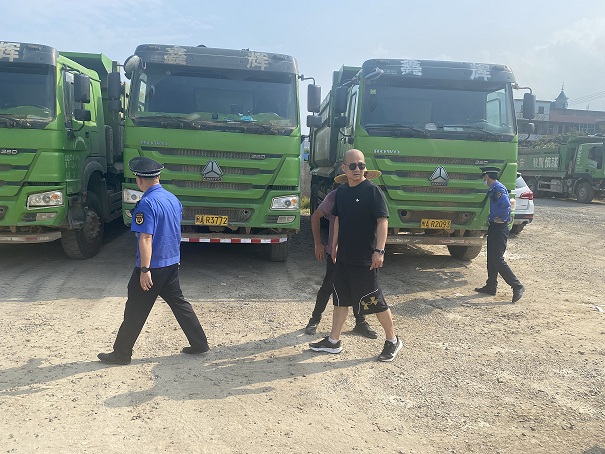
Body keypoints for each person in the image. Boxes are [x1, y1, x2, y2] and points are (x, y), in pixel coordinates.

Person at [98, 157, 209, 365]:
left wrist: (144, 269)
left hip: (153, 267)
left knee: (135, 310)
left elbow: (146, 238)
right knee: (179, 303)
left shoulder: (146, 203)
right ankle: (199, 343)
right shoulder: (172, 199)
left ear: (139, 180)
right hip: (171, 262)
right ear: (158, 177)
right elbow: (174, 230)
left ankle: (121, 354)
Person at [309, 149, 402, 362]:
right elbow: (338, 221)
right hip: (343, 257)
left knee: (375, 301)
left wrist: (379, 250)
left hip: (365, 258)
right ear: (344, 168)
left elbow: (382, 221)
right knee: (340, 300)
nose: (358, 169)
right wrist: (333, 246)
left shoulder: (372, 191)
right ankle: (333, 341)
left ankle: (392, 340)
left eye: (361, 165)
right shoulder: (341, 192)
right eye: (353, 166)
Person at [304, 175, 379, 339]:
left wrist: (378, 250)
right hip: (337, 254)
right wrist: (318, 243)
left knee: (359, 288)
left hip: (361, 253)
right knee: (329, 286)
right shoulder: (335, 195)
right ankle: (314, 319)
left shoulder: (371, 195)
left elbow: (380, 222)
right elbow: (316, 216)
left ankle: (360, 323)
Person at [475, 166, 525, 303]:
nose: (483, 179)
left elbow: (506, 204)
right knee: (491, 257)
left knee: (497, 259)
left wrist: (503, 218)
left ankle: (517, 286)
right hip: (494, 226)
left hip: (499, 227)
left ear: (487, 176)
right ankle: (491, 286)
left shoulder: (498, 188)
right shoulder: (494, 188)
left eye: (484, 177)